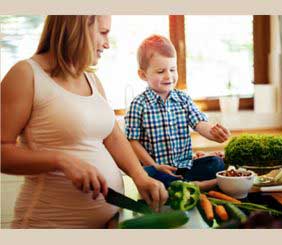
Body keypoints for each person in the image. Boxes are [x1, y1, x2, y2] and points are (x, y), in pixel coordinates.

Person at [1, 16, 167, 229]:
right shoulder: (25, 74)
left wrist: (140, 176)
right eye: (103, 32)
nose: (107, 44)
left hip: (104, 224)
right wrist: (61, 160)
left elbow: (113, 136)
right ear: (77, 27)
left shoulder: (91, 79)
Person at [125, 35, 230, 190]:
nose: (169, 76)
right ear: (143, 74)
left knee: (216, 163)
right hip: (158, 170)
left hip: (185, 167)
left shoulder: (183, 99)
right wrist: (154, 165)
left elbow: (199, 123)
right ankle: (203, 185)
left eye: (172, 69)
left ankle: (185, 186)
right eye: (160, 71)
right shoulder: (139, 104)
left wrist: (213, 133)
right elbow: (133, 142)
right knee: (149, 176)